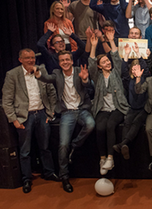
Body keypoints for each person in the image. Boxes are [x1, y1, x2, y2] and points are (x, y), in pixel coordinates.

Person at [35, 52, 95, 193]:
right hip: (67, 112)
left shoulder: (80, 71)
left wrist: (85, 80)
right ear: (59, 62)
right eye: (62, 60)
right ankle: (64, 176)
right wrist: (37, 73)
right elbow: (46, 78)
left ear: (71, 60)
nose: (65, 62)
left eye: (67, 59)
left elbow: (90, 87)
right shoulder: (57, 73)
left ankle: (75, 145)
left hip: (82, 109)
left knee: (91, 124)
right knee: (62, 145)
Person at [2, 49, 58, 193]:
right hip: (24, 117)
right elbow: (6, 101)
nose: (31, 60)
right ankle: (26, 178)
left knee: (45, 147)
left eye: (32, 57)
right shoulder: (12, 75)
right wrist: (13, 119)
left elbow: (51, 91)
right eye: (27, 58)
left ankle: (49, 172)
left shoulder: (41, 70)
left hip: (42, 114)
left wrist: (51, 111)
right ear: (20, 59)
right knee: (25, 151)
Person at [88, 30, 129, 175]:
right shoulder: (97, 76)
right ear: (100, 66)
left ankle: (110, 158)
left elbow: (116, 57)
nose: (107, 62)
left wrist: (111, 41)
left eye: (107, 60)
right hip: (103, 108)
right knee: (99, 128)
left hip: (117, 108)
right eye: (104, 62)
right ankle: (102, 158)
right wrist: (93, 46)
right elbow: (91, 63)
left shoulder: (116, 72)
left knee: (111, 125)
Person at [114, 48, 149, 160]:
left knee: (137, 122)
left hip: (143, 109)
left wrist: (138, 53)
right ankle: (125, 146)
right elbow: (124, 70)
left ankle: (123, 144)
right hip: (132, 108)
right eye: (133, 69)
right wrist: (126, 55)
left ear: (141, 69)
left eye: (137, 68)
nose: (135, 71)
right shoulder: (129, 80)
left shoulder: (145, 78)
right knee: (127, 122)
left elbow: (145, 65)